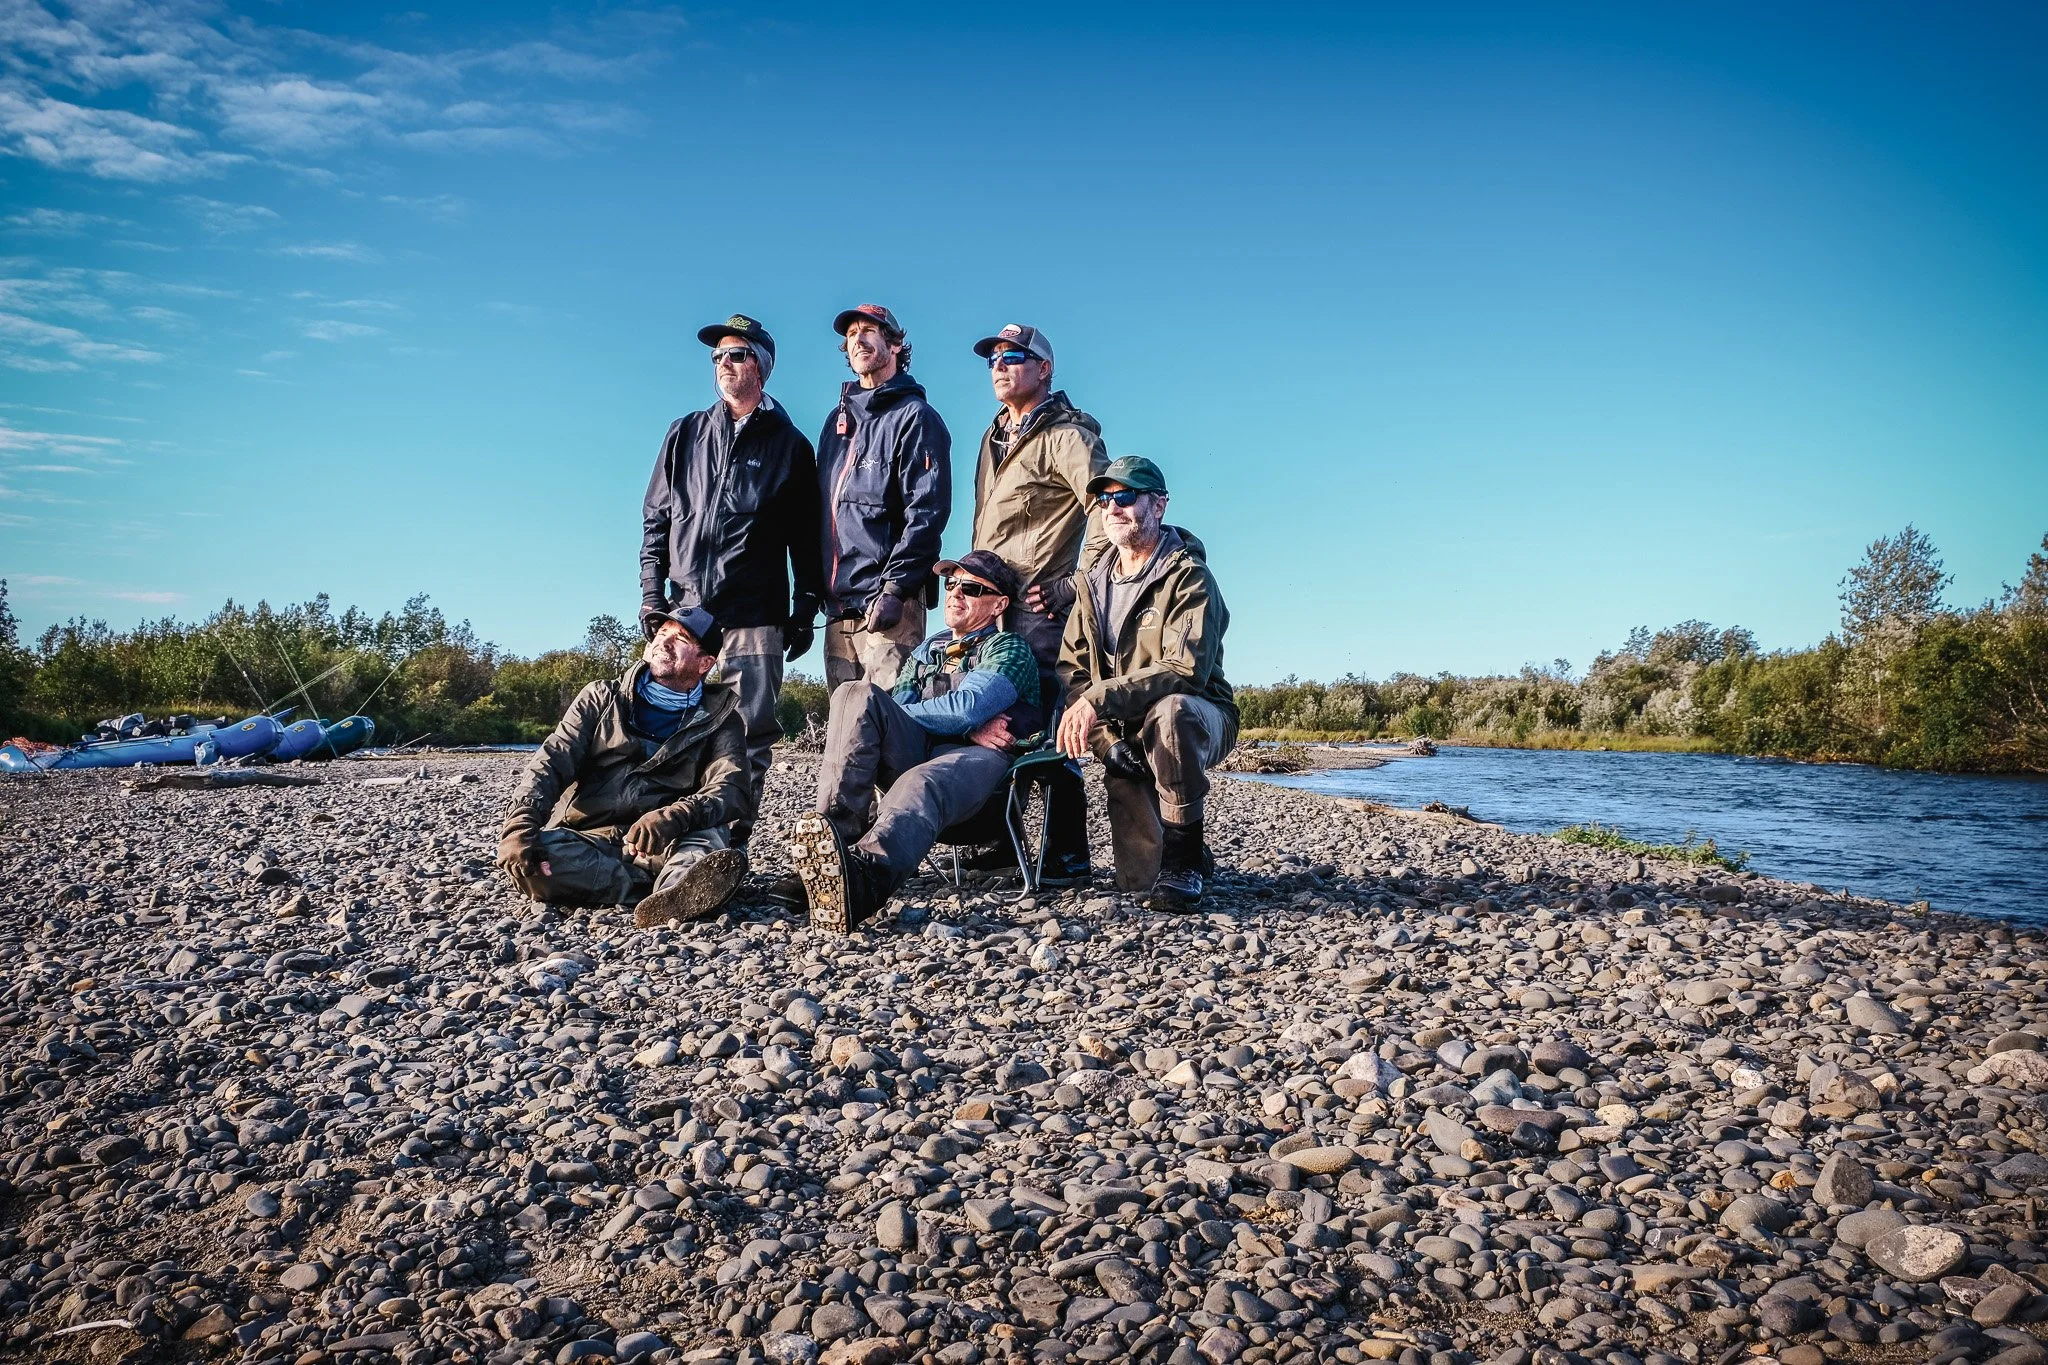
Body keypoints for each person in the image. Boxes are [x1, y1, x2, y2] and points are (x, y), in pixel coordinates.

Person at [640, 313, 823, 854]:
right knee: (667, 728)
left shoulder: (791, 445)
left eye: (737, 354)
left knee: (748, 735)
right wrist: (651, 596)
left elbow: (805, 539)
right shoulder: (685, 433)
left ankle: (726, 849)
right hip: (685, 614)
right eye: (717, 355)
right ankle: (665, 844)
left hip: (755, 615)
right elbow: (655, 521)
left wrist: (804, 607)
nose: (724, 363)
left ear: (761, 366)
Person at [784, 550, 1042, 932]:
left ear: (999, 604)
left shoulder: (1007, 649)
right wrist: (962, 724)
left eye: (971, 588)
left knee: (920, 781)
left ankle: (864, 881)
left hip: (987, 777)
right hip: (928, 749)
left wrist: (963, 725)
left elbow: (969, 707)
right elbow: (911, 709)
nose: (955, 593)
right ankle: (834, 850)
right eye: (950, 584)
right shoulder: (927, 651)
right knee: (855, 693)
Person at [1054, 457, 1237, 910]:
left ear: (1158, 505)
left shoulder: (1189, 576)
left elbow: (1185, 669)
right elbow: (1073, 673)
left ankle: (1185, 861)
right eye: (1104, 499)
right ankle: (1186, 847)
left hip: (1198, 713)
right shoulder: (1091, 585)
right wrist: (1106, 742)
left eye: (1126, 496)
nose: (1112, 507)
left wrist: (1100, 699)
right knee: (1137, 882)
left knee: (1171, 713)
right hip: (1125, 726)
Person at [497, 607, 751, 927]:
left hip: (668, 840)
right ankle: (669, 893)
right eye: (661, 634)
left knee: (707, 837)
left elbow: (731, 789)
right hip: (589, 838)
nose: (663, 643)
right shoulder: (600, 697)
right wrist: (519, 825)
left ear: (705, 663)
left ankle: (678, 886)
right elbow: (551, 762)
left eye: (680, 639)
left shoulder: (722, 719)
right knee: (536, 862)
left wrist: (675, 816)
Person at [966, 322, 1109, 883]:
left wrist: (1072, 584)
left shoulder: (1069, 437)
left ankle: (1067, 855)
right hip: (993, 604)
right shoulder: (993, 436)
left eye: (1014, 357)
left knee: (1049, 725)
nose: (1000, 367)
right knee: (998, 719)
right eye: (993, 359)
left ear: (1044, 369)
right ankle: (1004, 844)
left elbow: (1106, 512)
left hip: (1039, 608)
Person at [814, 303, 950, 690]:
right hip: (839, 608)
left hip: (890, 604)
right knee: (844, 717)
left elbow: (927, 512)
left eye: (869, 331)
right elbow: (821, 513)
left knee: (886, 714)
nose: (858, 339)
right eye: (851, 334)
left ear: (894, 344)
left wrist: (895, 589)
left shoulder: (916, 417)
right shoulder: (836, 423)